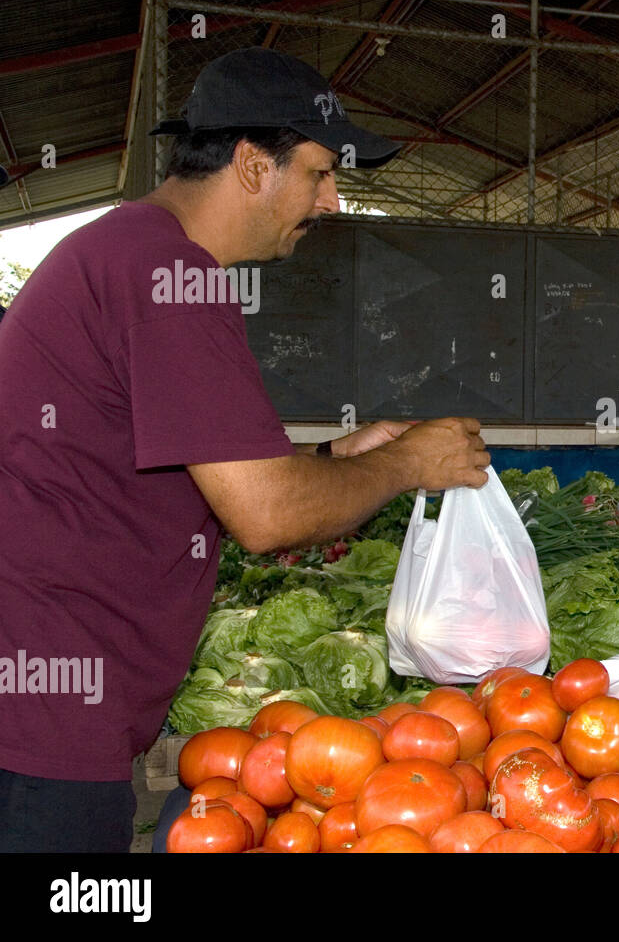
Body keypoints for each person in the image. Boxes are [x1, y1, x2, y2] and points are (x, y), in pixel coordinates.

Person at [0, 47, 490, 852]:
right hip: (46, 714)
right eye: (321, 173)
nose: (331, 201)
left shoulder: (135, 252)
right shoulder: (168, 273)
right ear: (254, 166)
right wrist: (407, 464)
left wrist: (336, 458)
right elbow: (263, 514)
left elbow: (194, 468)